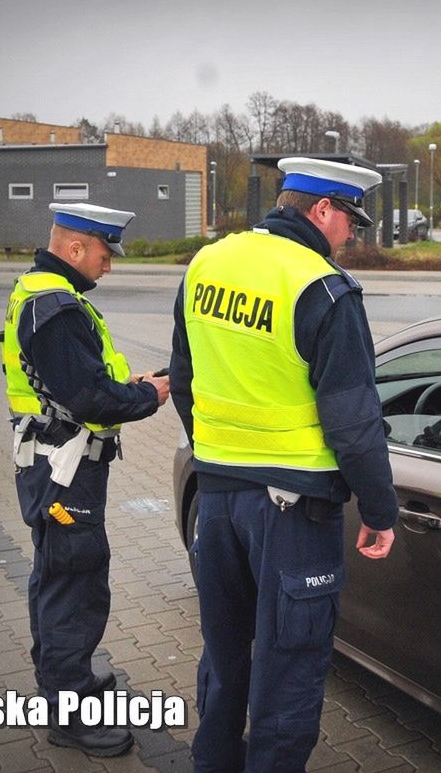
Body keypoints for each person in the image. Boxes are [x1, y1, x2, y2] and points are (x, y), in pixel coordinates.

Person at [169, 157, 398, 772]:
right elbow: (354, 422)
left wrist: (219, 455)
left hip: (215, 504)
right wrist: (379, 509)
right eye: (351, 219)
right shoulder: (323, 287)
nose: (353, 235)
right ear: (323, 209)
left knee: (225, 657)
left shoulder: (207, 264)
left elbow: (184, 381)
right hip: (293, 516)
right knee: (289, 672)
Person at [1, 202, 170, 757]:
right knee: (75, 582)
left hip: (54, 464)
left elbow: (82, 378)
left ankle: (64, 681)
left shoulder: (42, 292)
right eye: (103, 253)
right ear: (74, 248)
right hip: (64, 469)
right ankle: (68, 714)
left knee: (58, 574)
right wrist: (149, 394)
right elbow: (90, 398)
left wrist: (132, 380)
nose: (108, 264)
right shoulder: (56, 307)